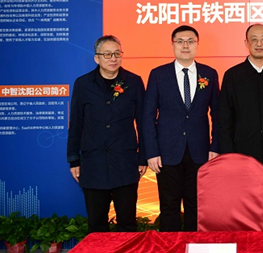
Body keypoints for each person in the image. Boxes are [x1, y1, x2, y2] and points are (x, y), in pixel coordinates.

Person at [142, 25, 220, 232]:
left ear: (197, 44)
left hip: (200, 151)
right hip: (166, 153)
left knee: (196, 206)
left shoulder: (209, 74)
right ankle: (171, 246)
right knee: (169, 207)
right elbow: (148, 116)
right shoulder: (158, 74)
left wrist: (215, 146)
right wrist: (151, 152)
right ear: (173, 44)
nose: (185, 45)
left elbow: (218, 114)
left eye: (190, 41)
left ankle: (194, 245)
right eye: (180, 41)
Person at [67, 35, 147, 233]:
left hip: (125, 162)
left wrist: (143, 157)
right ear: (97, 58)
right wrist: (74, 159)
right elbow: (76, 123)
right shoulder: (83, 84)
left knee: (127, 223)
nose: (113, 58)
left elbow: (143, 123)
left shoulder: (134, 82)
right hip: (93, 163)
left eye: (117, 53)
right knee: (97, 225)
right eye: (107, 54)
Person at [218, 24, 263, 231]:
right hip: (242, 155)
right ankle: (246, 245)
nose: (259, 43)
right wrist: (228, 154)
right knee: (243, 207)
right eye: (254, 39)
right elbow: (224, 118)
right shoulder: (233, 75)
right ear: (246, 43)